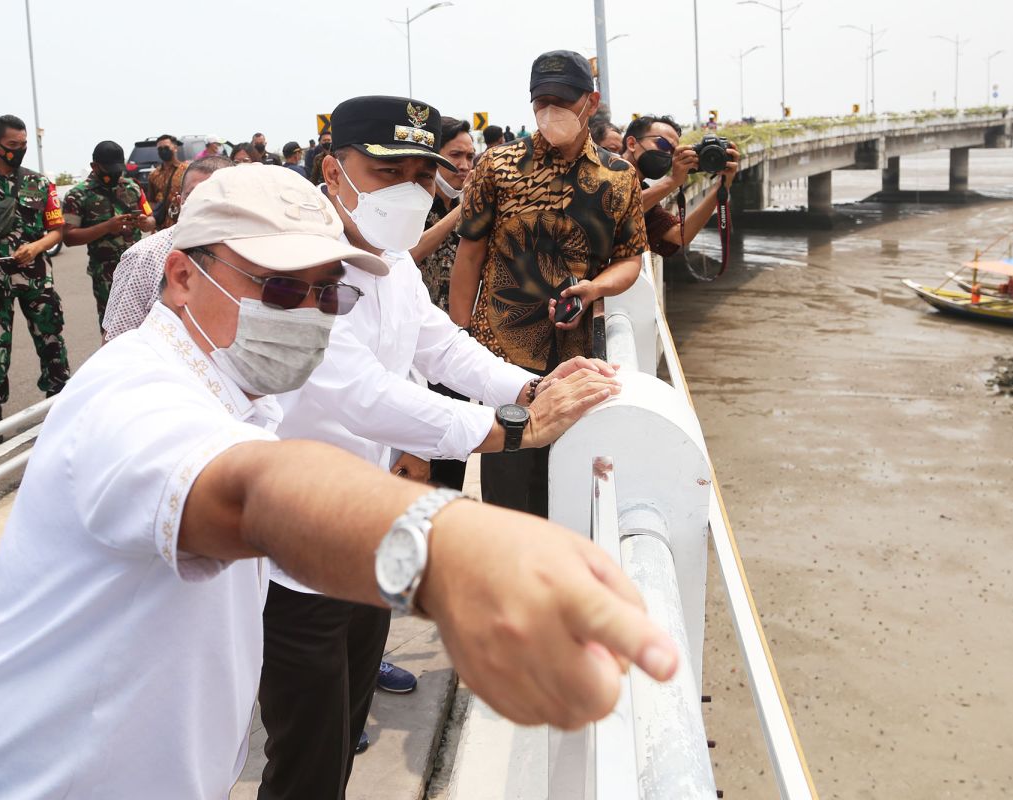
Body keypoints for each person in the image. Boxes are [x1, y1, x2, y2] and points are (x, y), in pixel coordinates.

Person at [0, 164, 679, 798]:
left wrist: (526, 394)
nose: (307, 315)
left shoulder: (243, 385)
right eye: (278, 287)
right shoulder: (133, 396)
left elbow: (424, 359)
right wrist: (450, 552)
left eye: (327, 295)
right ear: (181, 276)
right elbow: (254, 492)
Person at [261, 95, 626, 798]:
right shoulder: (296, 263)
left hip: (365, 526)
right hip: (294, 554)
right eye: (386, 171)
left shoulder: (391, 258)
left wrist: (531, 385)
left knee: (344, 728)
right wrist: (509, 429)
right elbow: (358, 391)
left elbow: (441, 346)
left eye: (423, 177)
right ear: (334, 171)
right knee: (305, 755)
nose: (409, 192)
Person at [450, 50, 648, 516]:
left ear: (590, 102)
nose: (549, 110)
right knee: (508, 490)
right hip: (502, 356)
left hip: (577, 358)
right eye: (541, 100)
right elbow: (470, 253)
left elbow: (630, 259)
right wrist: (460, 338)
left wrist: (596, 288)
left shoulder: (619, 178)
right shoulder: (496, 167)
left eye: (561, 100)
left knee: (568, 489)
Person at [0, 114, 70, 453]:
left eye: (23, 145)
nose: (19, 151)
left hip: (37, 280)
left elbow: (57, 229)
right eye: (12, 146)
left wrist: (37, 247)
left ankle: (59, 411)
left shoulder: (39, 184)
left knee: (52, 344)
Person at [102, 155, 235, 341]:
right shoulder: (143, 257)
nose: (206, 204)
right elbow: (116, 343)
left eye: (216, 195)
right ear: (180, 201)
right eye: (195, 195)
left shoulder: (257, 255)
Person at [410, 115, 474, 490]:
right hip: (416, 350)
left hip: (455, 345)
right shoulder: (412, 205)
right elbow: (409, 253)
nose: (464, 166)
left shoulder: (474, 206)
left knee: (452, 455)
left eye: (470, 156)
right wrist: (457, 215)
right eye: (455, 156)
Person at [62, 140, 156, 327]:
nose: (115, 174)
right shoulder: (78, 195)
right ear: (94, 166)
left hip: (139, 268)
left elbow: (151, 220)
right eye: (109, 169)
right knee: (113, 327)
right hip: (106, 274)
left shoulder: (132, 187)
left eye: (118, 169)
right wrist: (106, 227)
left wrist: (145, 223)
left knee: (147, 324)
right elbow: (69, 237)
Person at [620, 114, 739, 257]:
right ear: (632, 144)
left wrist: (722, 186)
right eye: (663, 145)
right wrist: (674, 181)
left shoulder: (644, 193)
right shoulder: (602, 171)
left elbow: (680, 235)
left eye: (673, 152)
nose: (668, 155)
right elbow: (618, 208)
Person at [147, 133, 188, 229]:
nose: (163, 151)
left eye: (166, 147)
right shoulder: (154, 175)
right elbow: (150, 201)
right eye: (159, 149)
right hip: (161, 226)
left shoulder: (187, 171)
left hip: (182, 224)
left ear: (175, 148)